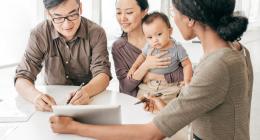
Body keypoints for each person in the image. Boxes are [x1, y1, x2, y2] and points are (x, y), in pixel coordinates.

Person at [50, 0, 253, 139]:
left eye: (174, 14)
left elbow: (151, 134)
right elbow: (209, 113)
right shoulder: (233, 51)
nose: (172, 19)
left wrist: (73, 127)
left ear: (190, 19)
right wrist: (166, 109)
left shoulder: (217, 65)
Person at [15, 0, 111, 112]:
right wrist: (36, 97)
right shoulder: (39, 34)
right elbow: (22, 78)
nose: (67, 24)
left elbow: (103, 74)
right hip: (53, 104)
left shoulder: (96, 32)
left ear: (80, 8)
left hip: (89, 100)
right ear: (48, 14)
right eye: (58, 17)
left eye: (72, 14)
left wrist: (86, 91)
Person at [112, 0, 184, 97]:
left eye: (129, 12)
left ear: (144, 12)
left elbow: (183, 73)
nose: (122, 18)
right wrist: (145, 66)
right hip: (135, 104)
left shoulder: (162, 40)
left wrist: (153, 76)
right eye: (119, 12)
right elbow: (125, 87)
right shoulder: (119, 47)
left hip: (167, 100)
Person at [127, 12, 192, 103]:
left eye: (159, 34)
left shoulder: (177, 48)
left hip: (169, 86)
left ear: (170, 31)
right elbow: (142, 56)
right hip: (149, 84)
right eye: (150, 37)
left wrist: (187, 80)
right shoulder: (149, 47)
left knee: (167, 104)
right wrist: (133, 67)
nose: (155, 40)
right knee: (141, 102)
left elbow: (187, 64)